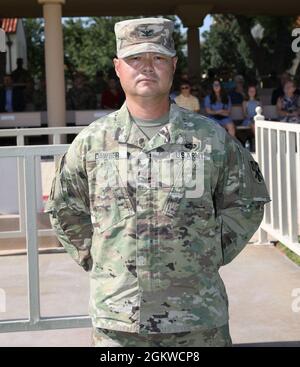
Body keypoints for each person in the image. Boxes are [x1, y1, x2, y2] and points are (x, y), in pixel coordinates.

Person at [45, 17, 271, 347]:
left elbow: (247, 201)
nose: (147, 67)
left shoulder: (211, 139)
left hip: (197, 318)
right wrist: (102, 261)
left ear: (173, 65)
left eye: (158, 58)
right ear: (118, 67)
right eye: (135, 58)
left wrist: (206, 252)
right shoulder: (92, 143)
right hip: (120, 324)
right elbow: (65, 210)